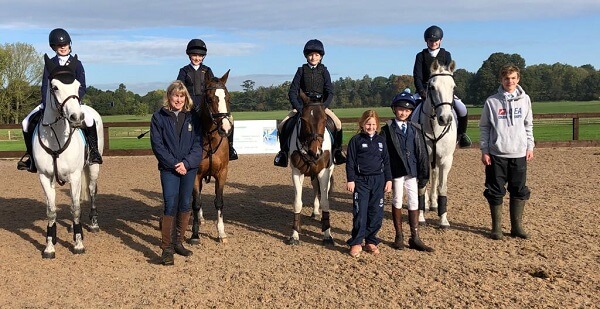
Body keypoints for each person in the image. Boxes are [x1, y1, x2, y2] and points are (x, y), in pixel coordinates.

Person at [17, 28, 102, 172]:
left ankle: (94, 152)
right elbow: (45, 85)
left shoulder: (77, 63)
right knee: (26, 123)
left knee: (89, 120)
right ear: (53, 47)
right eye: (58, 45)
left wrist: (73, 101)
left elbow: (82, 86)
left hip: (72, 103)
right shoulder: (50, 64)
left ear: (69, 44)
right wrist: (46, 103)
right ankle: (31, 158)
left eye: (65, 44)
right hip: (51, 103)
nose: (62, 47)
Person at [150, 80, 203, 265]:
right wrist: (174, 164)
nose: (178, 99)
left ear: (185, 97)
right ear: (169, 96)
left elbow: (198, 146)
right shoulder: (159, 117)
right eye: (175, 96)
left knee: (185, 203)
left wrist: (187, 164)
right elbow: (158, 145)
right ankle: (167, 248)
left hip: (188, 168)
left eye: (181, 96)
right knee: (170, 204)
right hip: (169, 169)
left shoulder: (193, 117)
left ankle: (179, 242)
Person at [479, 64, 534, 240]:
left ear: (518, 79)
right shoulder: (492, 101)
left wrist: (530, 146)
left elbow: (528, 125)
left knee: (519, 189)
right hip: (497, 153)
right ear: (501, 80)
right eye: (506, 78)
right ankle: (496, 228)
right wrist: (485, 150)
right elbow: (485, 127)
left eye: (513, 78)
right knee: (495, 190)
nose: (509, 81)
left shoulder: (525, 100)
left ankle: (517, 227)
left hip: (519, 152)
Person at [273, 39, 346, 167]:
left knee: (338, 124)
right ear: (307, 56)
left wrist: (323, 107)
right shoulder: (301, 71)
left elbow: (330, 92)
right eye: (311, 55)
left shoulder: (324, 71)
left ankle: (337, 151)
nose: (313, 57)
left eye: (316, 55)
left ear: (321, 56)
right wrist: (300, 108)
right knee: (281, 125)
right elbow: (292, 92)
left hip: (320, 106)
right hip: (303, 106)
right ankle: (283, 153)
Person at [380, 90, 434, 252]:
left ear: (411, 112)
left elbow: (422, 152)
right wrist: (386, 175)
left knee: (414, 201)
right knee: (397, 200)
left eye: (407, 110)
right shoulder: (387, 130)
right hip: (396, 171)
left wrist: (424, 173)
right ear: (395, 109)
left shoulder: (416, 128)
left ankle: (415, 237)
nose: (404, 112)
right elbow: (384, 155)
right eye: (400, 109)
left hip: (412, 171)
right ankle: (399, 235)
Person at [177, 38, 238, 161]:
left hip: (207, 105)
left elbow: (213, 87)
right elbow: (180, 89)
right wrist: (187, 103)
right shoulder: (184, 71)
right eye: (195, 55)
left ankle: (230, 148)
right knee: (180, 122)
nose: (197, 58)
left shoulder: (207, 70)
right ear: (189, 55)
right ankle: (179, 150)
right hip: (190, 105)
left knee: (229, 120)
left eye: (200, 56)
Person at [413, 25, 472, 148]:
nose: (433, 43)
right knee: (407, 108)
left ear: (440, 40)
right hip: (424, 90)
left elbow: (449, 75)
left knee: (462, 109)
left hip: (443, 91)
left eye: (436, 40)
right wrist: (422, 91)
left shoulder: (446, 54)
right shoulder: (420, 56)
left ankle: (461, 135)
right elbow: (417, 76)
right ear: (426, 41)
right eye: (430, 40)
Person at [345, 110, 393, 257]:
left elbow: (386, 162)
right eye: (368, 124)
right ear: (362, 124)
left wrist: (389, 179)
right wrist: (351, 180)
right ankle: (357, 242)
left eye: (373, 124)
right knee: (360, 212)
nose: (370, 127)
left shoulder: (381, 141)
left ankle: (371, 240)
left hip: (378, 181)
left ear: (377, 125)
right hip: (361, 181)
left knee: (376, 213)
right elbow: (350, 162)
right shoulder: (356, 140)